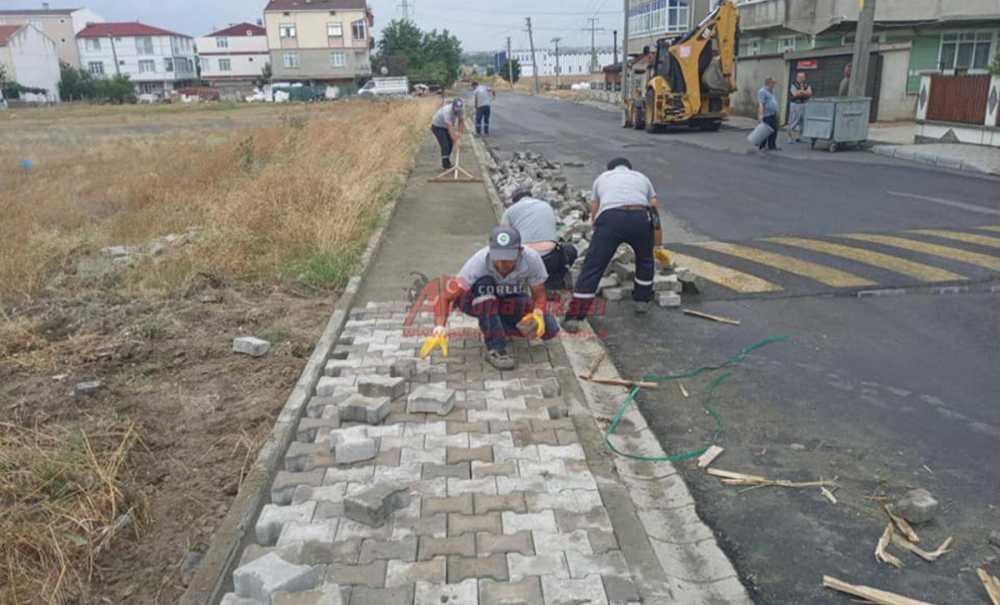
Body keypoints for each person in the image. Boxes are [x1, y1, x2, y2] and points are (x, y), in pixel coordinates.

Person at [420, 226, 560, 370]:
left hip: (508, 298)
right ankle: (496, 348)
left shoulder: (532, 260)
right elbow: (445, 297)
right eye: (497, 258)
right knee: (484, 285)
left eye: (507, 259)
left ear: (519, 252)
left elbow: (540, 296)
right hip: (474, 299)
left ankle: (497, 325)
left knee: (549, 328)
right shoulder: (479, 262)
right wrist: (439, 327)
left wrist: (537, 314)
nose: (501, 264)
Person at [563, 158, 668, 333]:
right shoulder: (641, 177)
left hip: (610, 218)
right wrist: (657, 242)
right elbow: (654, 208)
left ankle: (575, 316)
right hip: (640, 216)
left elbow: (595, 210)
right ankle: (642, 301)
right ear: (629, 168)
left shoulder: (602, 178)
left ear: (610, 169)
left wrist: (600, 233)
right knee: (645, 260)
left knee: (594, 266)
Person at [501, 185, 578, 294]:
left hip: (527, 262)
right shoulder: (546, 205)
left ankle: (525, 283)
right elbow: (555, 229)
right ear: (530, 196)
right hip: (551, 259)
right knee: (570, 250)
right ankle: (552, 282)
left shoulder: (509, 212)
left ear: (515, 200)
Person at [430, 98, 465, 170]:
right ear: (453, 105)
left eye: (459, 109)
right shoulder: (447, 111)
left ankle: (447, 162)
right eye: (456, 109)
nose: (457, 110)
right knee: (445, 144)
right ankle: (445, 165)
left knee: (450, 144)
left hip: (446, 126)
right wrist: (456, 141)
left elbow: (461, 121)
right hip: (437, 126)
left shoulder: (461, 109)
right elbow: (450, 128)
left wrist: (459, 134)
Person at [787, 71, 812, 143]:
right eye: (800, 77)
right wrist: (805, 92)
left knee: (802, 121)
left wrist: (801, 92)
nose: (802, 78)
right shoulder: (793, 84)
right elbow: (795, 94)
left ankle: (799, 137)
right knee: (793, 121)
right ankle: (789, 137)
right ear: (797, 77)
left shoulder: (807, 84)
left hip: (804, 104)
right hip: (795, 104)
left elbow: (810, 93)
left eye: (803, 77)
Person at [756, 77, 780, 152]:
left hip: (772, 114)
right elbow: (761, 104)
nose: (774, 85)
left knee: (774, 129)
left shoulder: (771, 91)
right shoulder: (762, 91)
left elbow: (773, 102)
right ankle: (762, 146)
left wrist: (776, 111)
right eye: (773, 83)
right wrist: (760, 115)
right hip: (766, 114)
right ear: (768, 83)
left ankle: (772, 146)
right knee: (765, 130)